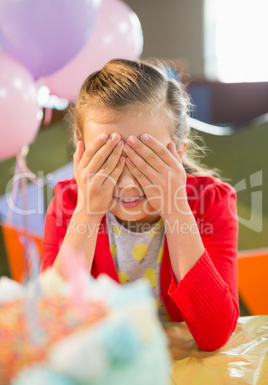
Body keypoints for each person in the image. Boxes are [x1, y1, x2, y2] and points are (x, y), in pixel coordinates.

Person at [41, 59, 239, 351]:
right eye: (107, 160)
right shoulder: (69, 204)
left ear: (178, 152)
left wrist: (175, 210)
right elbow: (50, 327)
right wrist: (88, 211)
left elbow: (214, 336)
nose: (129, 184)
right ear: (82, 157)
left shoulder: (212, 202)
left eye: (146, 159)